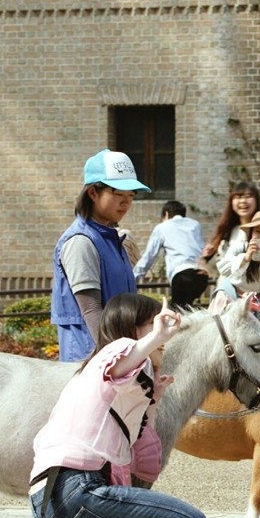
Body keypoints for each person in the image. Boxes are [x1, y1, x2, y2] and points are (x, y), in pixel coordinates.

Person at [16, 293, 209, 518]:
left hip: (56, 501)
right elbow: (124, 359)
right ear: (131, 329)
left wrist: (153, 401)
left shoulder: (121, 383)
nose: (163, 339)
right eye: (151, 324)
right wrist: (156, 338)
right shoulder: (116, 351)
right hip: (75, 490)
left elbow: (146, 465)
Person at [51, 149, 151, 363]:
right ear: (93, 193)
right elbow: (91, 309)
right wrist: (115, 358)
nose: (126, 203)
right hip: (91, 361)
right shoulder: (81, 242)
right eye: (118, 194)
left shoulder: (110, 238)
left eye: (131, 196)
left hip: (115, 354)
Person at [132, 200, 209, 309]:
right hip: (201, 275)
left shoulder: (162, 227)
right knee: (188, 310)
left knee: (178, 313)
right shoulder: (195, 224)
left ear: (166, 214)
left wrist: (134, 276)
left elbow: (150, 255)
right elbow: (201, 249)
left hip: (181, 274)